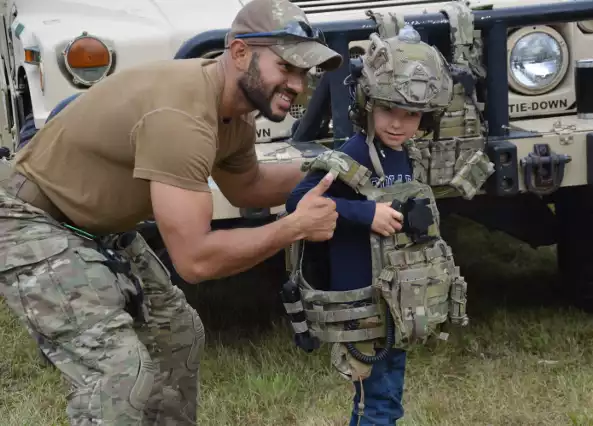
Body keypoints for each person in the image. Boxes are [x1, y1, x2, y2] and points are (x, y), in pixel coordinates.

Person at [0, 0, 342, 424]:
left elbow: (246, 186)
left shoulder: (232, 114)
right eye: (287, 68)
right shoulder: (182, 117)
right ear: (238, 53)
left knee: (177, 335)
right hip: (29, 216)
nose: (298, 84)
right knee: (119, 373)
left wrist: (330, 168)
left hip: (96, 223)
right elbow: (195, 259)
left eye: (304, 74)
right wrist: (292, 228)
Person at [284, 23, 472, 425]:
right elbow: (299, 201)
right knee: (379, 403)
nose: (398, 124)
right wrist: (366, 214)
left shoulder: (407, 155)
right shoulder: (354, 154)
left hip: (397, 305)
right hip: (362, 306)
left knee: (382, 399)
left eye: (411, 115)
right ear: (368, 103)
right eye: (389, 110)